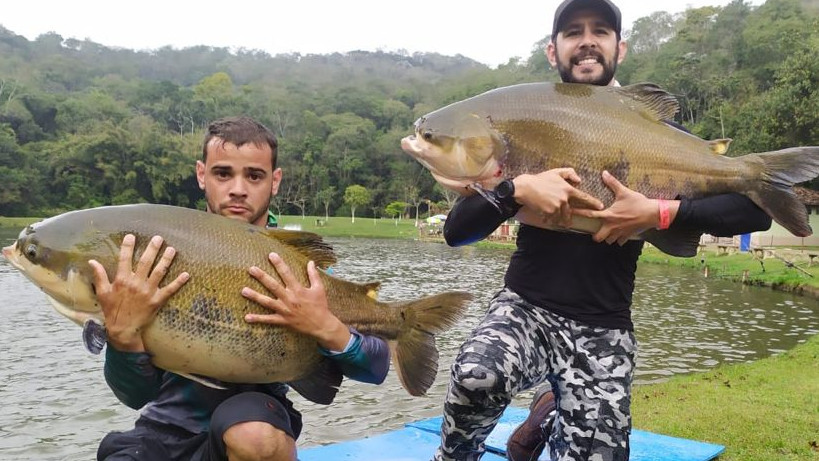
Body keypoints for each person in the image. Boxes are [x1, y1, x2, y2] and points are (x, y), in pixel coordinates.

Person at [433, 1, 773, 460]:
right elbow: (457, 232)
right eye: (573, 32)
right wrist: (518, 188)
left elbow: (755, 213)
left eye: (600, 31)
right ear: (553, 52)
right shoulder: (526, 116)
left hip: (604, 324)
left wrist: (658, 213)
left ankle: (548, 413)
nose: (587, 40)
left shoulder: (653, 133)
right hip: (525, 309)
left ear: (620, 47)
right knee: (477, 375)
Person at [90, 116, 390, 461]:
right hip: (165, 428)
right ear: (202, 174)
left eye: (254, 175)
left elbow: (376, 368)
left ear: (275, 181)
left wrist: (325, 327)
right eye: (223, 174)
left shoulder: (299, 270)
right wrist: (123, 338)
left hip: (257, 417)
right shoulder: (159, 255)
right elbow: (134, 395)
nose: (238, 189)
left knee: (253, 437)